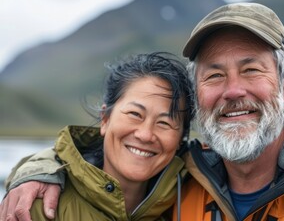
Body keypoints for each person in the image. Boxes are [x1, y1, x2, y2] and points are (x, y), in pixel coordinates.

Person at [2, 3, 284, 221]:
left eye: (251, 70)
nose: (233, 91)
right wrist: (39, 171)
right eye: (215, 75)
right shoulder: (180, 186)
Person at [0, 52, 194, 221]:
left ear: (180, 140)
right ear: (105, 119)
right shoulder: (37, 207)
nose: (145, 135)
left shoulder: (188, 207)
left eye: (165, 123)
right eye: (135, 114)